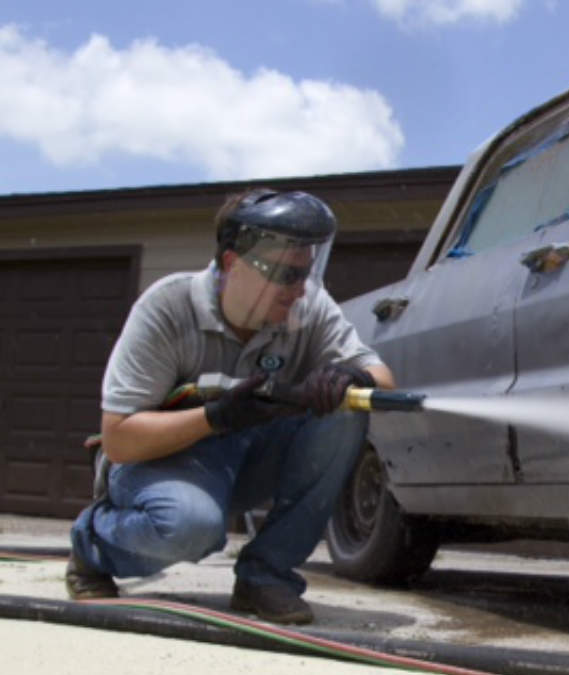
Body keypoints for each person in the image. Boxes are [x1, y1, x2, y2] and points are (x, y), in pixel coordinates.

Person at [66, 188, 396, 624]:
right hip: (164, 460)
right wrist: (216, 416)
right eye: (287, 275)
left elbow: (383, 380)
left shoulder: (308, 305)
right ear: (232, 264)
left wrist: (353, 376)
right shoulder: (169, 307)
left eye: (306, 273)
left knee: (348, 409)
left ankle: (266, 578)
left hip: (247, 459)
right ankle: (93, 547)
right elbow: (121, 439)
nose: (300, 290)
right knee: (191, 528)